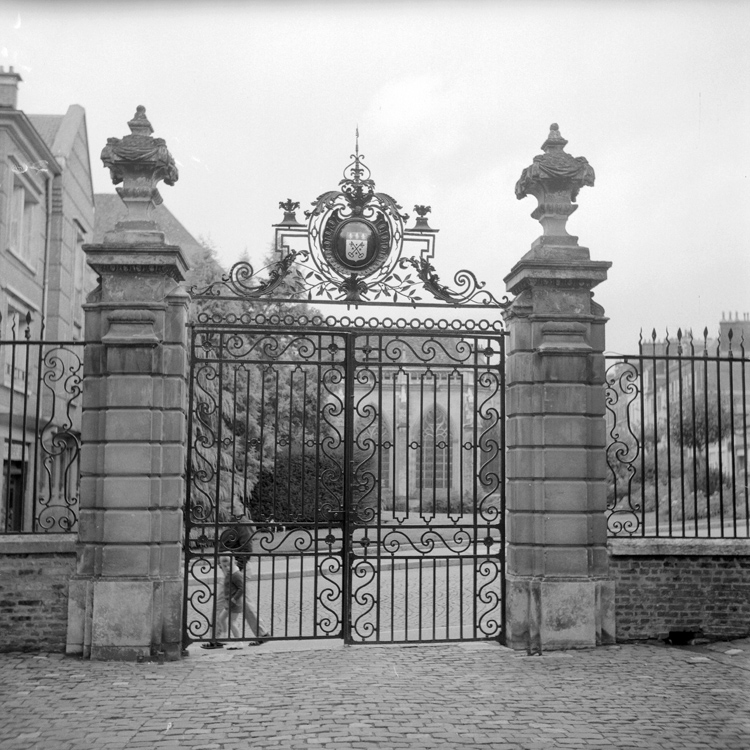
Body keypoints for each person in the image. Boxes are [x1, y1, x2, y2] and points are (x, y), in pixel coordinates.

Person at [212, 556, 270, 647]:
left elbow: (246, 550)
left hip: (239, 569)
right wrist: (224, 566)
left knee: (242, 604)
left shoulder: (236, 574)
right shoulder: (227, 569)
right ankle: (218, 637)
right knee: (222, 608)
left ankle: (257, 635)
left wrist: (235, 568)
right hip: (228, 569)